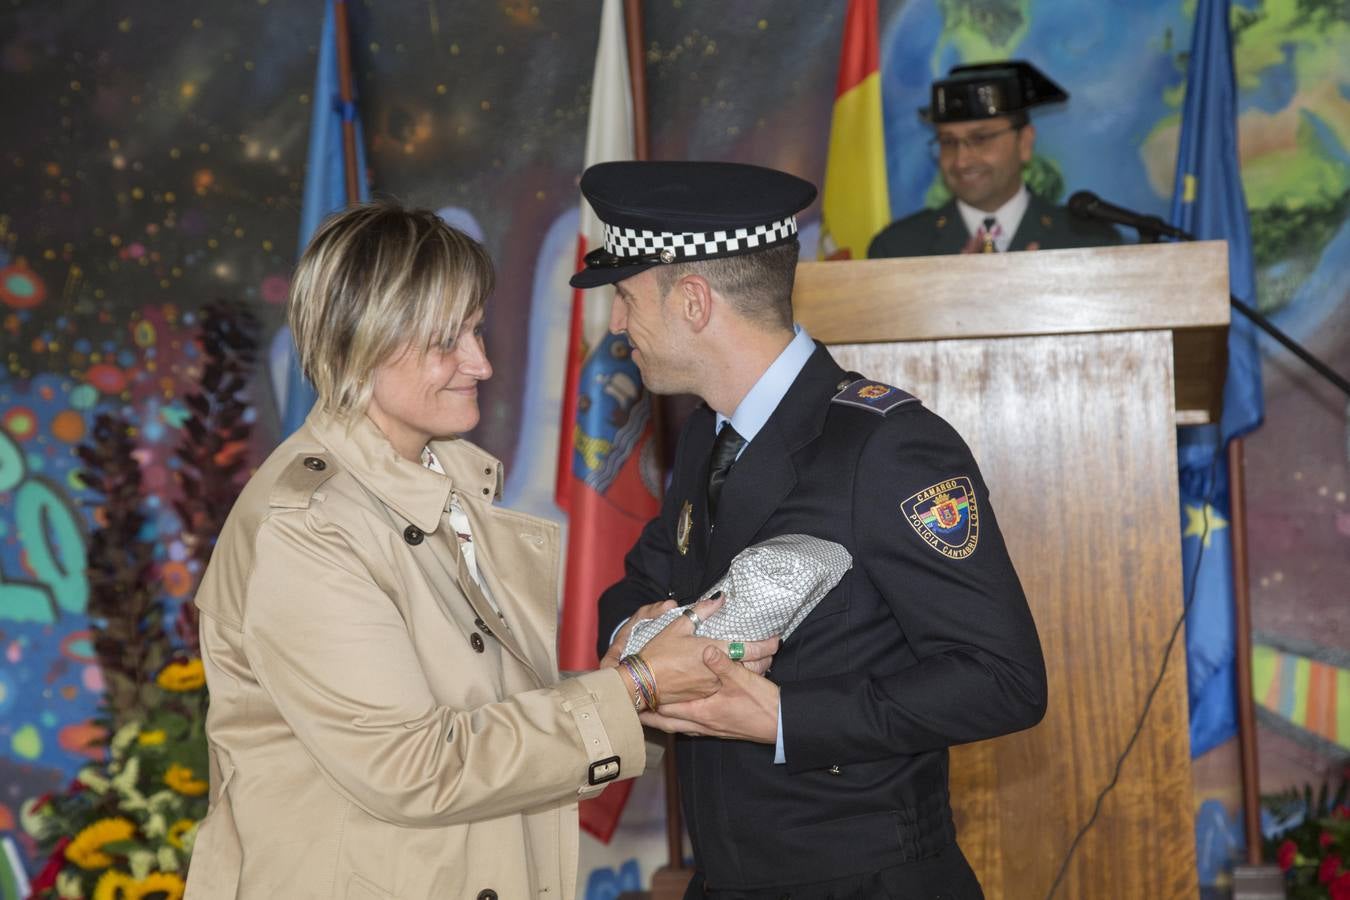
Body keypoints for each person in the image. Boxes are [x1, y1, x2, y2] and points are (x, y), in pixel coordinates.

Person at [183, 202, 775, 900]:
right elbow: (412, 766)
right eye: (447, 342)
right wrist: (633, 689)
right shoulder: (308, 528)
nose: (482, 363)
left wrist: (636, 682)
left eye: (475, 330)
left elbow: (480, 708)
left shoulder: (443, 481)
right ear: (358, 343)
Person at [575, 161, 1048, 899]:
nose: (616, 324)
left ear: (693, 301)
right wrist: (648, 647)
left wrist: (788, 717)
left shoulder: (887, 445)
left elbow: (1004, 680)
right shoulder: (706, 438)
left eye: (625, 297)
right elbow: (635, 587)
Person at [868, 60, 1122, 258]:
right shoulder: (898, 248)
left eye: (980, 139)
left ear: (1024, 143)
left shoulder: (1088, 242)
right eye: (948, 142)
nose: (962, 161)